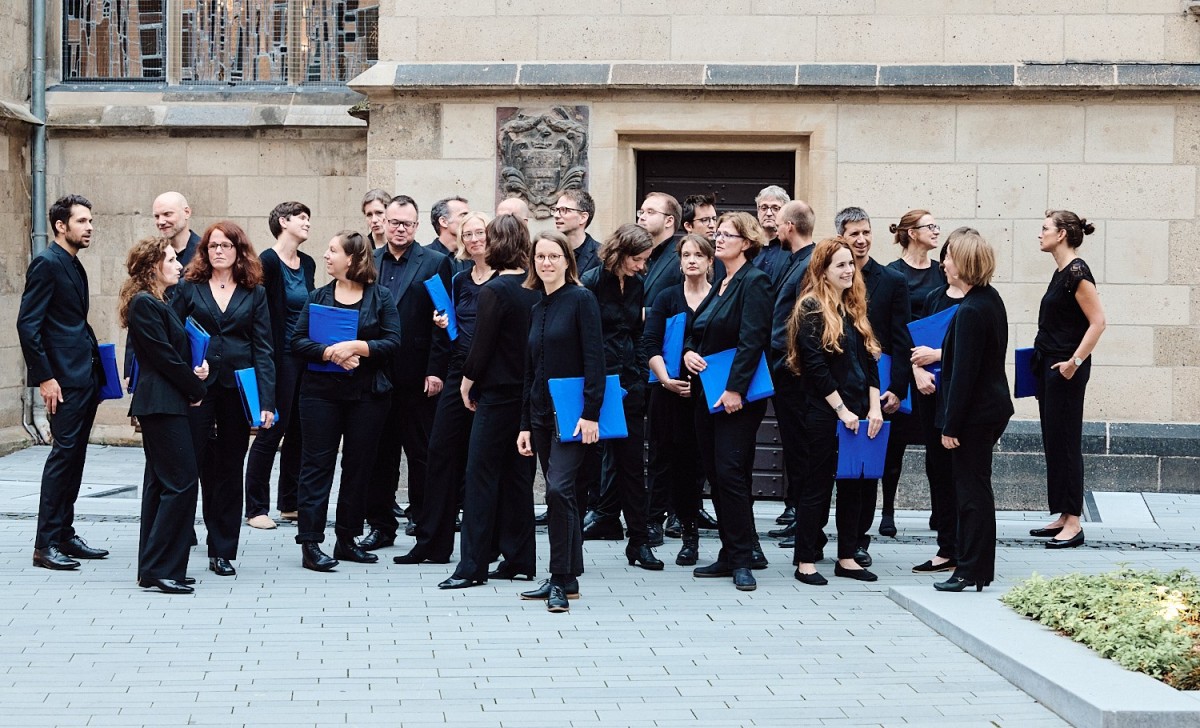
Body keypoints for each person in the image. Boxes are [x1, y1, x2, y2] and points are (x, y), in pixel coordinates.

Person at [291, 231, 402, 571]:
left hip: (367, 396)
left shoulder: (380, 297)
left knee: (358, 467)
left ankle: (347, 539)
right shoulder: (318, 296)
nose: (326, 255)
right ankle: (310, 543)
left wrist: (357, 348)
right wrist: (329, 352)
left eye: (332, 250)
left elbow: (394, 342)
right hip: (320, 395)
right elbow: (296, 341)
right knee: (316, 467)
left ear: (352, 259)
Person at [171, 221, 275, 577]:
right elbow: (173, 334)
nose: (218, 251)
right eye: (213, 246)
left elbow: (263, 348)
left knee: (230, 467)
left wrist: (266, 402)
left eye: (226, 246)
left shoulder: (254, 291)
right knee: (193, 462)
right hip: (197, 388)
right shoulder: (189, 286)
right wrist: (186, 371)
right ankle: (181, 534)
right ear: (205, 251)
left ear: (238, 251)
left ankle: (223, 548)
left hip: (237, 387)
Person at [441, 215, 540, 586]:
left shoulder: (494, 291)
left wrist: (467, 383)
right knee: (518, 478)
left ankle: (472, 567)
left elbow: (481, 347)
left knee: (479, 476)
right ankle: (519, 560)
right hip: (527, 396)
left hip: (497, 395)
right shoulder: (535, 287)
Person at [394, 211, 496, 570]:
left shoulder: (508, 279)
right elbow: (449, 329)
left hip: (493, 378)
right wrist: (442, 322)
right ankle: (432, 543)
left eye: (479, 232)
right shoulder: (459, 278)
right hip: (457, 371)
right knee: (438, 454)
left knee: (481, 463)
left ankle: (485, 547)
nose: (473, 239)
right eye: (467, 233)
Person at [683, 212, 773, 592]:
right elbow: (698, 332)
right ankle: (728, 550)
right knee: (716, 475)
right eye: (717, 234)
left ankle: (742, 559)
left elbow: (754, 339)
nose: (718, 239)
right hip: (707, 393)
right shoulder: (722, 283)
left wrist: (735, 388)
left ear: (747, 242)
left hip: (735, 397)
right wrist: (688, 353)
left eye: (727, 235)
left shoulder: (755, 281)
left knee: (731, 473)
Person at [17, 195, 109, 570]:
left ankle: (65, 534)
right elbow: (28, 325)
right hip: (62, 380)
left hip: (82, 375)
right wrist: (46, 378)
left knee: (75, 457)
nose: (89, 227)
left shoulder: (72, 264)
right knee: (62, 458)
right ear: (61, 225)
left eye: (90, 220)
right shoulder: (46, 263)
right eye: (82, 221)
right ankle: (45, 544)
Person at [787, 237, 884, 586]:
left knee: (855, 486)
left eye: (850, 264)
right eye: (840, 265)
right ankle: (805, 561)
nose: (848, 270)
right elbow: (816, 368)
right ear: (823, 270)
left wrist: (874, 408)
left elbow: (872, 362)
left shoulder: (854, 307)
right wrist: (842, 411)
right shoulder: (811, 308)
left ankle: (847, 557)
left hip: (861, 413)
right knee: (816, 487)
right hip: (825, 413)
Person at [517, 231, 605, 613]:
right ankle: (566, 579)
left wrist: (591, 414)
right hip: (539, 415)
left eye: (554, 256)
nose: (546, 262)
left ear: (568, 261)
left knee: (558, 491)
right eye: (540, 256)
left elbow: (595, 361)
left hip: (572, 415)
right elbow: (530, 372)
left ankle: (558, 577)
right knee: (562, 496)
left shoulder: (582, 299)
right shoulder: (537, 308)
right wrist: (524, 424)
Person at [119, 236, 209, 593]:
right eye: (171, 259)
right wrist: (196, 388)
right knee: (181, 483)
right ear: (154, 266)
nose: (178, 265)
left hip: (166, 400)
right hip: (161, 403)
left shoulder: (160, 301)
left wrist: (194, 372)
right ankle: (160, 568)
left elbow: (174, 355)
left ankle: (155, 566)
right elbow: (163, 358)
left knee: (161, 485)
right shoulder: (145, 304)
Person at [363, 195, 453, 549]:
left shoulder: (435, 262)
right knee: (378, 454)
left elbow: (443, 323)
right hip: (375, 374)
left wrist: (436, 371)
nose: (400, 229)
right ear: (383, 223)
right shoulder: (368, 261)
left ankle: (423, 521)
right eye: (394, 222)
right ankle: (380, 525)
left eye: (408, 224)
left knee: (421, 454)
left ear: (417, 226)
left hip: (418, 376)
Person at [934, 228, 1013, 592]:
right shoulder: (989, 299)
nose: (943, 262)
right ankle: (978, 569)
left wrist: (950, 426)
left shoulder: (970, 310)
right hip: (988, 411)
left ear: (962, 263)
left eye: (948, 256)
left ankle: (969, 570)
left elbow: (962, 375)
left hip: (974, 417)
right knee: (976, 490)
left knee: (970, 495)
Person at [835, 206, 912, 569]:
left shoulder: (893, 280)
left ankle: (859, 539)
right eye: (854, 234)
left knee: (864, 470)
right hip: (834, 388)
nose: (862, 240)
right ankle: (817, 536)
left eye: (866, 232)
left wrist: (898, 388)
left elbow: (901, 337)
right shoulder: (826, 277)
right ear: (841, 238)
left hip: (874, 388)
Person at [581, 224, 659, 570]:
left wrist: (641, 374)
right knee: (584, 464)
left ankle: (639, 543)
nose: (642, 266)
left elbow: (639, 333)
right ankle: (570, 542)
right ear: (620, 253)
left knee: (630, 466)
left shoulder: (638, 284)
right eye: (638, 259)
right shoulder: (592, 281)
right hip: (598, 382)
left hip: (629, 383)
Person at [1030, 210, 1106, 550]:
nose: (1040, 233)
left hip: (1067, 369)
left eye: (1045, 228)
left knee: (1066, 440)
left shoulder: (1077, 271)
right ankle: (1064, 513)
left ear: (1061, 234)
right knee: (1054, 439)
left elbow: (1098, 322)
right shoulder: (1060, 271)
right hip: (1051, 367)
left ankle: (1074, 522)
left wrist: (1074, 362)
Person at [244, 201, 316, 527]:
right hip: (278, 357)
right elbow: (257, 314)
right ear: (283, 221)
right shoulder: (267, 262)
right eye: (302, 218)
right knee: (271, 430)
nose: (307, 224)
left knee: (301, 431)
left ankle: (291, 503)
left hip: (305, 356)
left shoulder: (309, 263)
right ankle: (256, 508)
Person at [646, 233, 713, 566]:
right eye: (686, 254)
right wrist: (666, 380)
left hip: (708, 395)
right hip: (669, 393)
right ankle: (666, 527)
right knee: (666, 459)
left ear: (710, 261)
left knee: (699, 464)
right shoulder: (667, 297)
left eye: (698, 255)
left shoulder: (719, 297)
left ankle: (694, 533)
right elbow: (650, 345)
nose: (691, 260)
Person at [878, 210, 946, 538]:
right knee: (894, 445)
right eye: (930, 226)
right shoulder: (892, 274)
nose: (936, 231)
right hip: (901, 369)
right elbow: (891, 328)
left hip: (936, 368)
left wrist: (930, 362)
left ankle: (938, 509)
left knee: (936, 442)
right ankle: (887, 509)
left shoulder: (942, 273)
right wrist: (913, 366)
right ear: (911, 233)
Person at [766, 200, 817, 544]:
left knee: (803, 450)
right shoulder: (794, 261)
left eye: (779, 222)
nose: (774, 227)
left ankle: (805, 522)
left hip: (796, 373)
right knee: (795, 448)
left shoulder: (810, 264)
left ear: (790, 227)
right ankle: (797, 513)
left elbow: (803, 321)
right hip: (785, 371)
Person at [910, 243, 963, 574]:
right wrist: (917, 369)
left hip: (962, 399)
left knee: (963, 475)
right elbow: (916, 343)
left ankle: (964, 546)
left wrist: (938, 355)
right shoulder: (934, 297)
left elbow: (978, 351)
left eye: (948, 258)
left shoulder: (978, 302)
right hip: (932, 396)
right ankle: (946, 547)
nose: (942, 264)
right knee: (938, 471)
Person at [552, 189, 602, 274]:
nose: (556, 215)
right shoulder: (549, 251)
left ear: (583, 217)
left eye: (564, 210)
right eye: (556, 210)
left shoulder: (601, 255)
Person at [752, 185, 791, 287]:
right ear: (758, 210)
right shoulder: (748, 244)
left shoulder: (791, 246)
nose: (769, 213)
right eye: (764, 208)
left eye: (775, 208)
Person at [428, 196, 473, 274]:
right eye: (464, 215)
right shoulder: (422, 258)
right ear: (444, 222)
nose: (470, 220)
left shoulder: (474, 256)